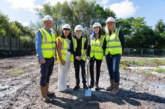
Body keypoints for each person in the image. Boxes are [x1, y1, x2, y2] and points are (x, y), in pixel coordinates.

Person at [35, 15, 56, 102]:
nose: (48, 24)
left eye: (50, 22)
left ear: (52, 24)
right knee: (43, 76)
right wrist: (41, 57)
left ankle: (47, 91)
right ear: (44, 23)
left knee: (48, 74)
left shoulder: (52, 32)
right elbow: (38, 45)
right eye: (46, 22)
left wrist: (54, 55)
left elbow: (53, 45)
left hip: (51, 57)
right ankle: (43, 96)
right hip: (44, 58)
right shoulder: (40, 32)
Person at [103, 17, 125, 94]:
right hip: (108, 54)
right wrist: (104, 52)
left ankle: (116, 88)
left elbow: (123, 42)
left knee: (115, 70)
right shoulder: (106, 34)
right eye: (108, 23)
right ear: (107, 25)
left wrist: (121, 52)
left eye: (111, 23)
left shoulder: (118, 31)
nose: (110, 24)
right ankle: (112, 85)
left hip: (116, 54)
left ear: (114, 24)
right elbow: (105, 44)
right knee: (110, 70)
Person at [87, 22, 105, 91]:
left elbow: (105, 47)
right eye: (94, 28)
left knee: (98, 70)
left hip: (99, 56)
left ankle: (97, 84)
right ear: (93, 29)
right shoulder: (91, 37)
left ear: (99, 28)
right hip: (92, 56)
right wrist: (88, 55)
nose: (96, 29)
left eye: (97, 27)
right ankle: (92, 82)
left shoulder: (103, 37)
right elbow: (88, 47)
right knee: (91, 69)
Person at [56, 24, 74, 91]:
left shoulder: (69, 39)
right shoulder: (59, 38)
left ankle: (64, 85)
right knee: (62, 72)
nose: (66, 31)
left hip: (68, 56)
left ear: (70, 31)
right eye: (65, 29)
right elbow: (58, 50)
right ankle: (62, 88)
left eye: (68, 29)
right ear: (62, 30)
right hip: (63, 57)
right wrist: (61, 59)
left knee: (66, 72)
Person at [72, 25, 88, 90]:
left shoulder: (84, 39)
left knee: (83, 71)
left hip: (82, 58)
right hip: (75, 58)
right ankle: (77, 84)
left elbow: (85, 49)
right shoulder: (72, 39)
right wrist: (76, 56)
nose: (78, 32)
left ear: (82, 32)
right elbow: (71, 49)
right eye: (77, 31)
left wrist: (82, 56)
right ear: (75, 32)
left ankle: (84, 84)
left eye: (80, 31)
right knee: (76, 71)